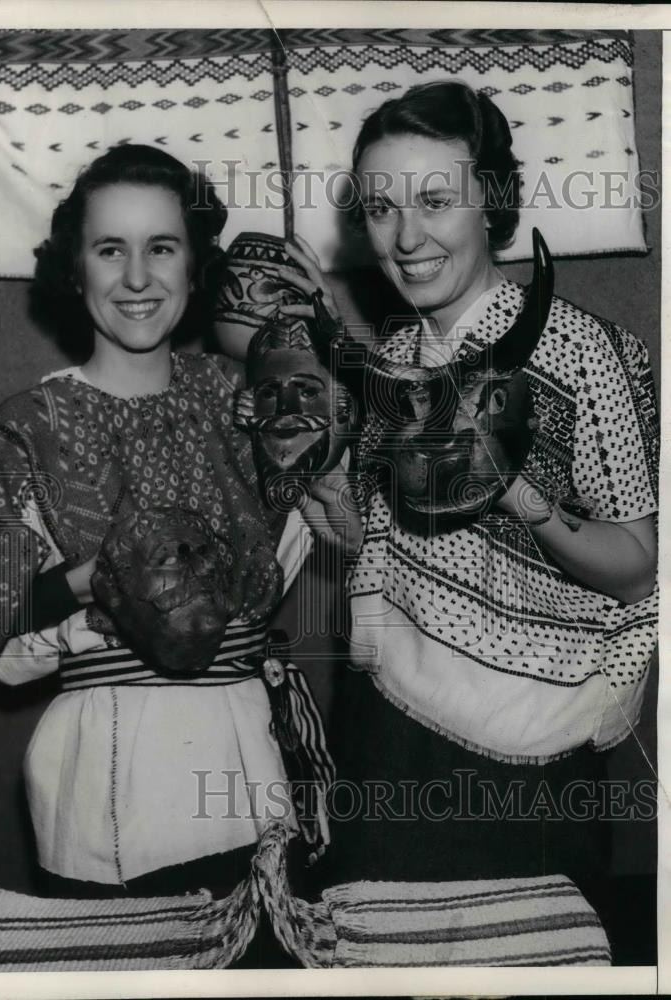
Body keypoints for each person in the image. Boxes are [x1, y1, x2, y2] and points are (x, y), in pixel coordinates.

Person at [277, 81, 659, 937]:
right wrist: (326, 496)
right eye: (380, 208)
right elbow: (374, 543)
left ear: (491, 201)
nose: (406, 237)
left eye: (435, 201)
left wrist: (517, 491)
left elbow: (640, 570)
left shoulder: (591, 352)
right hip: (383, 733)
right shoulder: (400, 353)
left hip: (527, 754)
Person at [0, 145, 330, 905]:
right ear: (75, 269)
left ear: (194, 266)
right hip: (109, 776)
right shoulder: (27, 429)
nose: (139, 278)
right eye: (110, 249)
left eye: (162, 248)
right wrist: (85, 582)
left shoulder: (248, 403)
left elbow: (353, 513)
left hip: (251, 758)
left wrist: (322, 341)